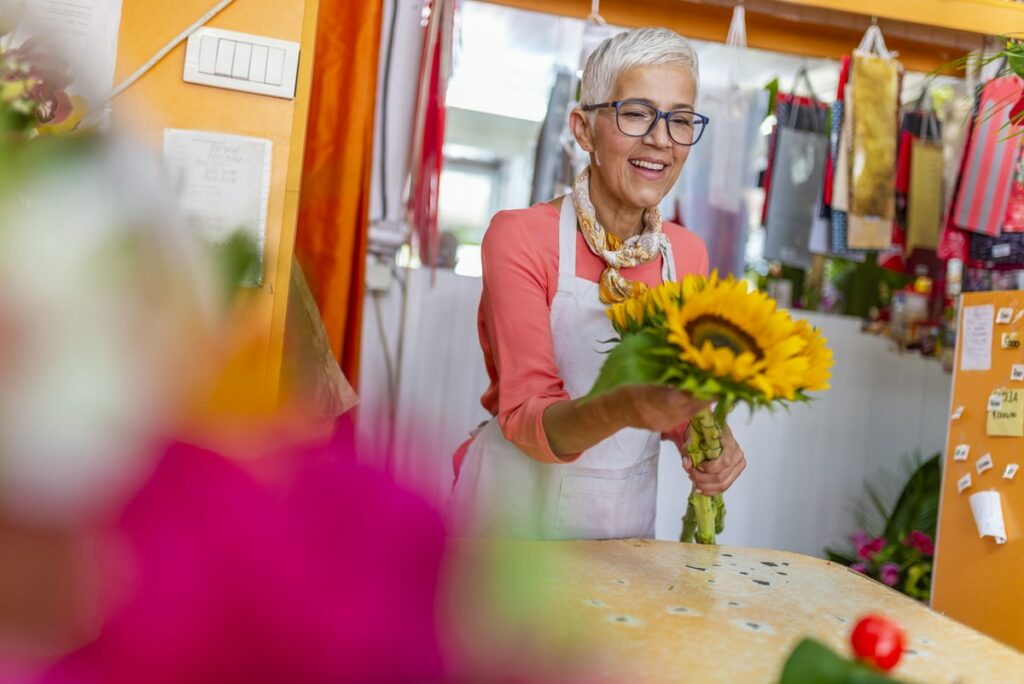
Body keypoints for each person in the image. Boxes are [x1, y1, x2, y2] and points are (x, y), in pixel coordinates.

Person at [450, 27, 745, 540]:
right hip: (510, 525)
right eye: (636, 113)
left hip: (622, 527)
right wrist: (624, 406)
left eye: (679, 119)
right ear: (584, 130)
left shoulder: (687, 254)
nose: (660, 139)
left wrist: (705, 433)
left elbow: (677, 395)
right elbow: (526, 418)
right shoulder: (519, 237)